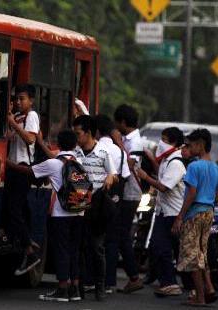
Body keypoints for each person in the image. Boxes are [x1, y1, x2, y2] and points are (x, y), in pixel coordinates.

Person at [8, 130, 84, 302]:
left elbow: (28, 171)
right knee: (74, 250)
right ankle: (75, 289)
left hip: (61, 212)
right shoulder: (78, 162)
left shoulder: (54, 164)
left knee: (61, 250)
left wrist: (8, 164)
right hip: (79, 211)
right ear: (74, 145)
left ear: (59, 144)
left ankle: (62, 288)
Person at [173, 129, 218, 307]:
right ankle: (209, 288)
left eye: (192, 144)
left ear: (201, 144)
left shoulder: (194, 166)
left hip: (194, 213)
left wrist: (180, 216)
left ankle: (200, 298)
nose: (189, 148)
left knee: (192, 256)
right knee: (202, 253)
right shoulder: (217, 168)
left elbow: (191, 193)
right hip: (209, 212)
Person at [136, 127, 186, 297]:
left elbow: (164, 186)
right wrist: (151, 158)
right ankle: (170, 282)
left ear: (174, 143)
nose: (161, 143)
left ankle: (173, 283)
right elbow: (162, 175)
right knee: (161, 247)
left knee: (166, 248)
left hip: (173, 212)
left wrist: (145, 177)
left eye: (165, 140)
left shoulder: (176, 163)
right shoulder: (167, 160)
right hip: (164, 211)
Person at [73, 115, 117, 301]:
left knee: (97, 247)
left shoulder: (103, 152)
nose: (77, 137)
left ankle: (100, 285)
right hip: (79, 203)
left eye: (79, 133)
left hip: (97, 205)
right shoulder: (75, 151)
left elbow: (113, 174)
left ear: (88, 133)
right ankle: (80, 286)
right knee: (79, 246)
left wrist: (109, 178)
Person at [4, 84, 41, 276]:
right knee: (13, 208)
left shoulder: (31, 116)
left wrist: (13, 123)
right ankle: (25, 240)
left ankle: (29, 249)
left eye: (22, 99)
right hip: (11, 168)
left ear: (31, 100)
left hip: (22, 169)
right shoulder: (17, 117)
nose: (19, 102)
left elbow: (30, 139)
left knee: (14, 209)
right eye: (17, 99)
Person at [95, 114, 132, 295]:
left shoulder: (95, 148)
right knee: (111, 241)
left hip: (96, 197)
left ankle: (90, 280)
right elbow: (125, 175)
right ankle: (108, 282)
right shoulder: (119, 151)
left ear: (95, 131)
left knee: (92, 239)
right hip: (115, 200)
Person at [113, 104, 144, 293]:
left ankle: (133, 276)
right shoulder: (128, 139)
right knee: (120, 234)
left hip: (131, 193)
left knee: (122, 234)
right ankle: (133, 276)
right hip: (126, 192)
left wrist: (119, 143)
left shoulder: (135, 142)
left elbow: (129, 164)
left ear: (123, 122)